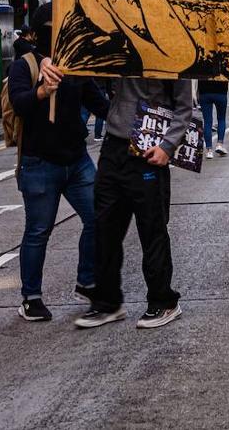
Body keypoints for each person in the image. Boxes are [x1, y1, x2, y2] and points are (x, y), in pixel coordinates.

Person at [8, 4, 111, 323]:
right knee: (39, 230)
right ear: (39, 33)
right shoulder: (24, 65)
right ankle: (31, 297)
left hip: (77, 160)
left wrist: (135, 124)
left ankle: (88, 280)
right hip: (39, 163)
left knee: (99, 217)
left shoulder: (76, 65)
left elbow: (100, 104)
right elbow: (19, 103)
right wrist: (42, 91)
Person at [75, 76, 194, 330]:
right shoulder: (121, 43)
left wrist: (168, 145)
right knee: (104, 227)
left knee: (152, 229)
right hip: (113, 147)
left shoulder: (176, 50)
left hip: (149, 148)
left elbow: (185, 107)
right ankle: (108, 302)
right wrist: (47, 61)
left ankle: (164, 301)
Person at [198, 78, 229, 157]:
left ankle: (209, 151)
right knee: (221, 119)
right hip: (221, 91)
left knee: (207, 121)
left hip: (204, 91)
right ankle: (219, 144)